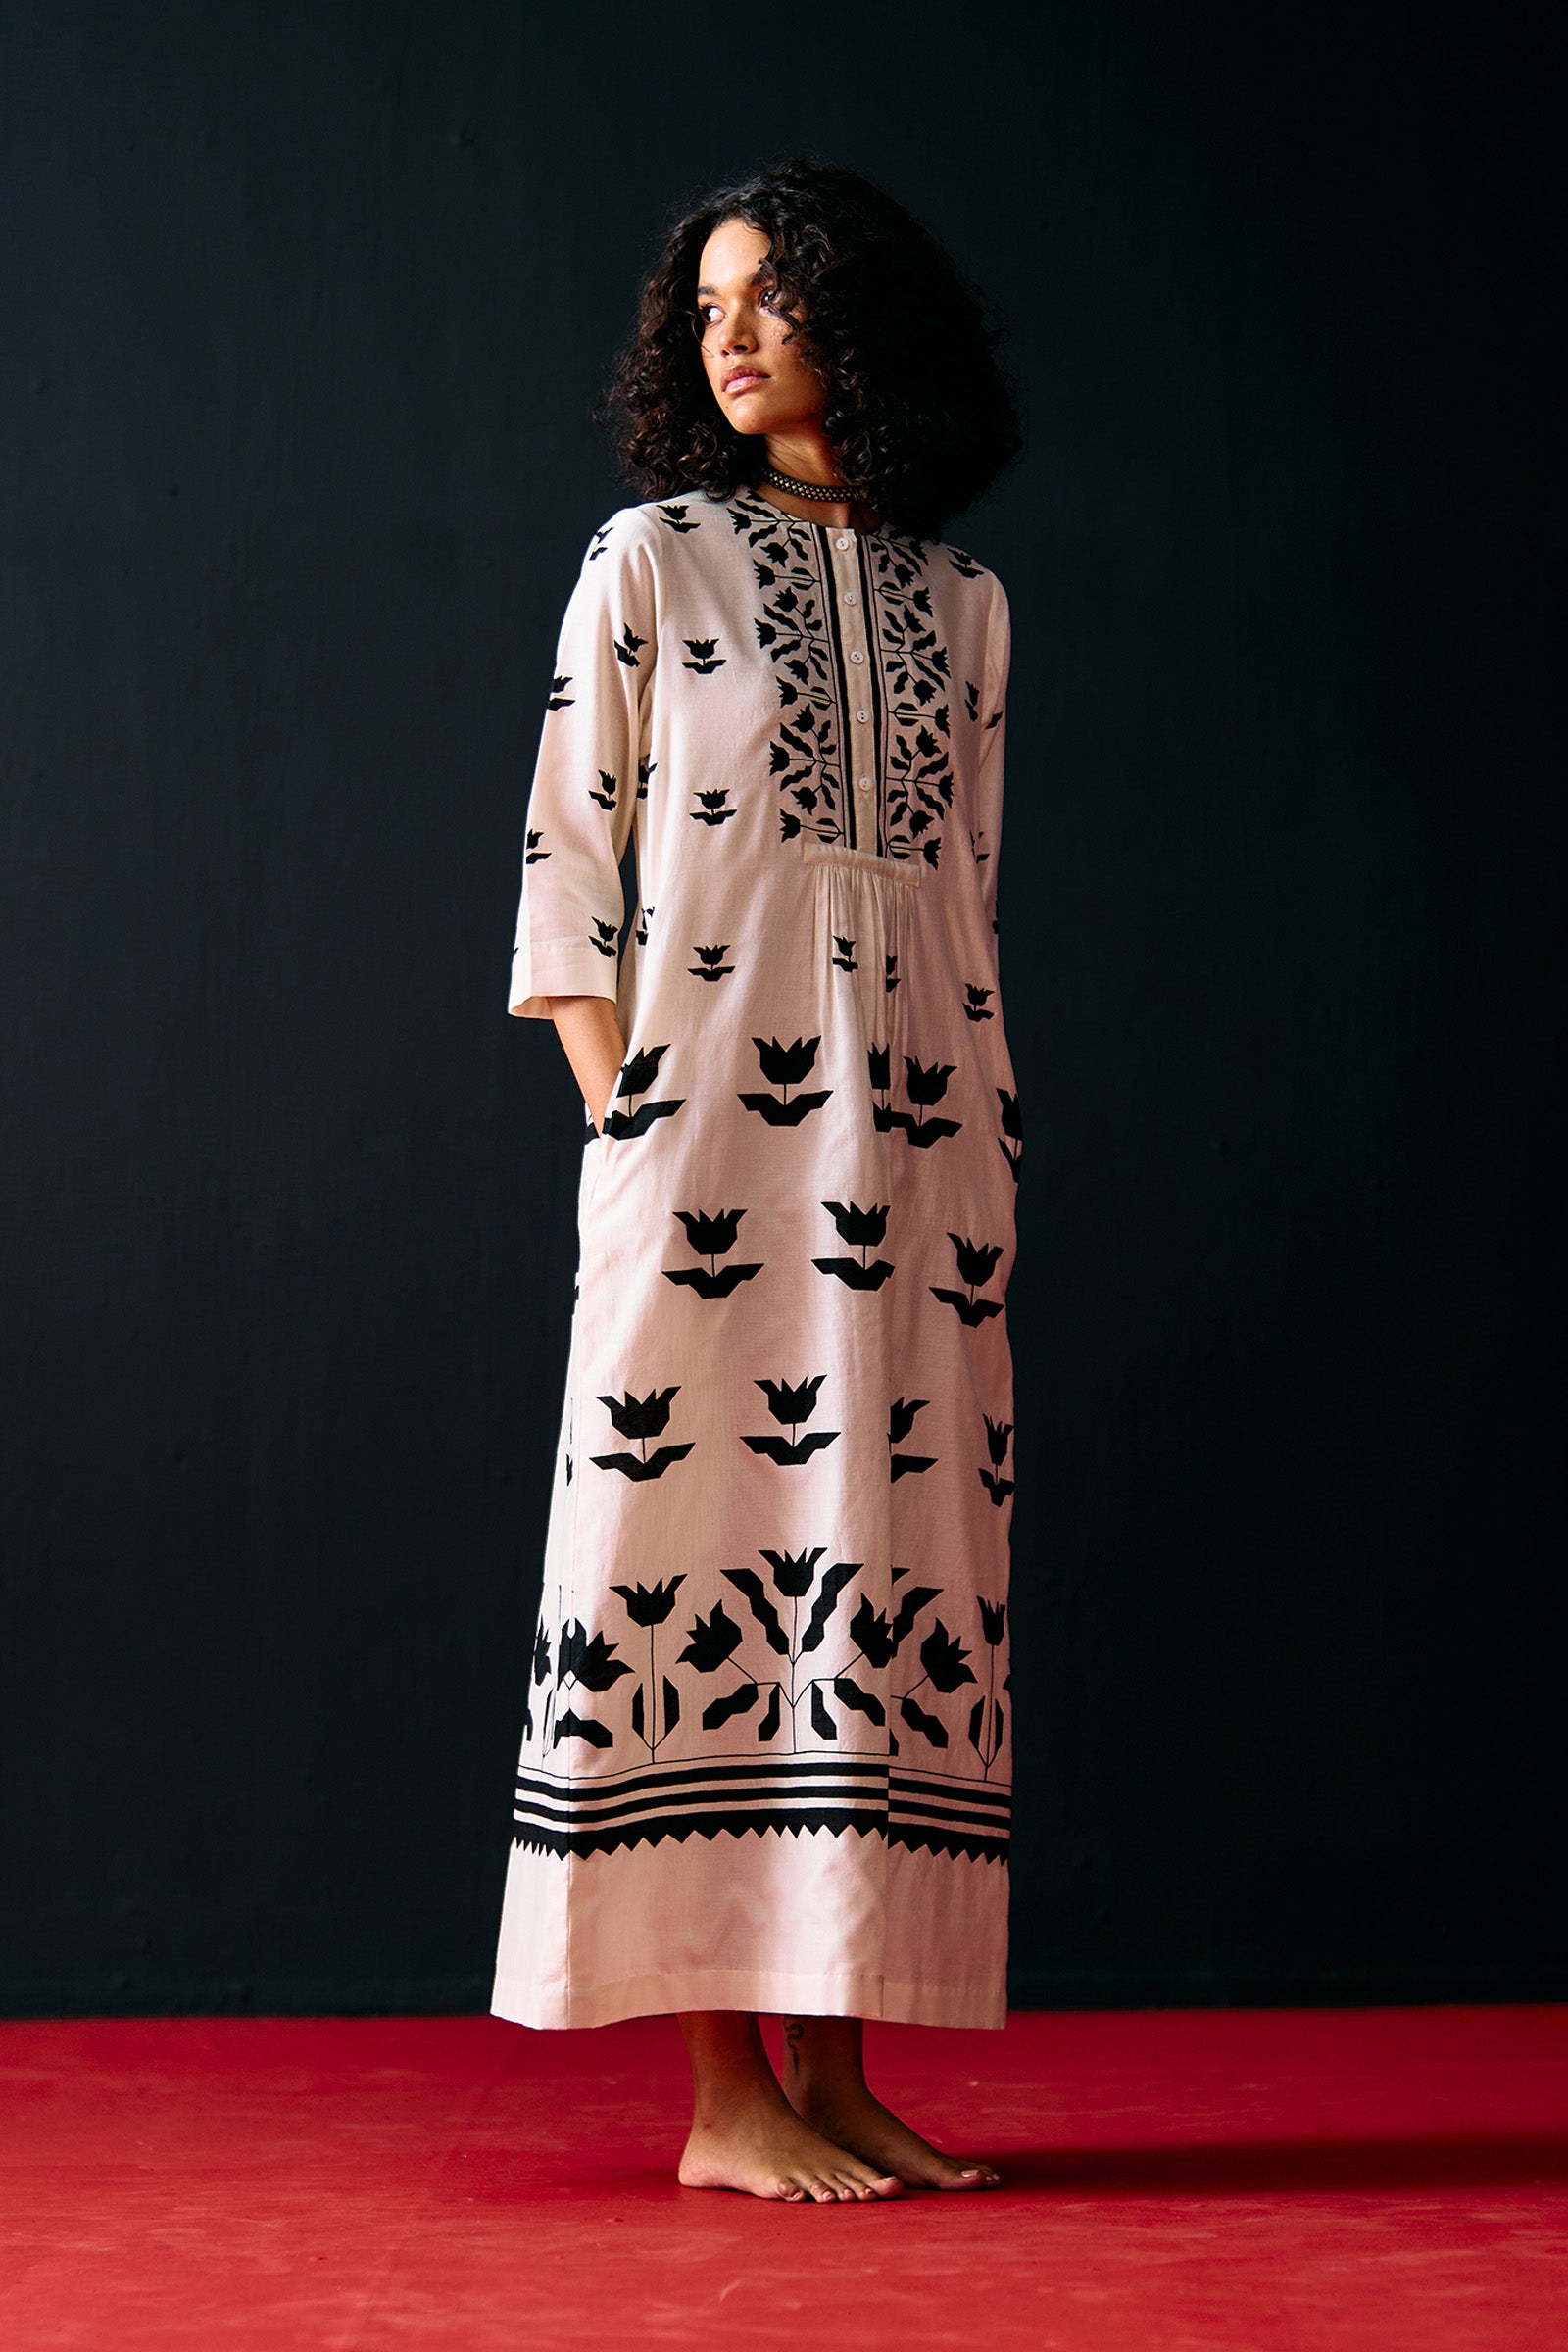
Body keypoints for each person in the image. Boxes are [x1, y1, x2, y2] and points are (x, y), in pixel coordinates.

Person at [491, 156, 1024, 2203]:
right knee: (699, 1540)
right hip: (704, 1150)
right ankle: (725, 2097)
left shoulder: (966, 606)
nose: (727, 334)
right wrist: (631, 1127)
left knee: (880, 1562)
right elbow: (568, 873)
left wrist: (976, 1128)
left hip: (923, 1156)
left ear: (857, 319)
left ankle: (841, 2072)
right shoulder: (650, 563)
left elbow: (966, 899)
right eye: (703, 304)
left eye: (768, 295)